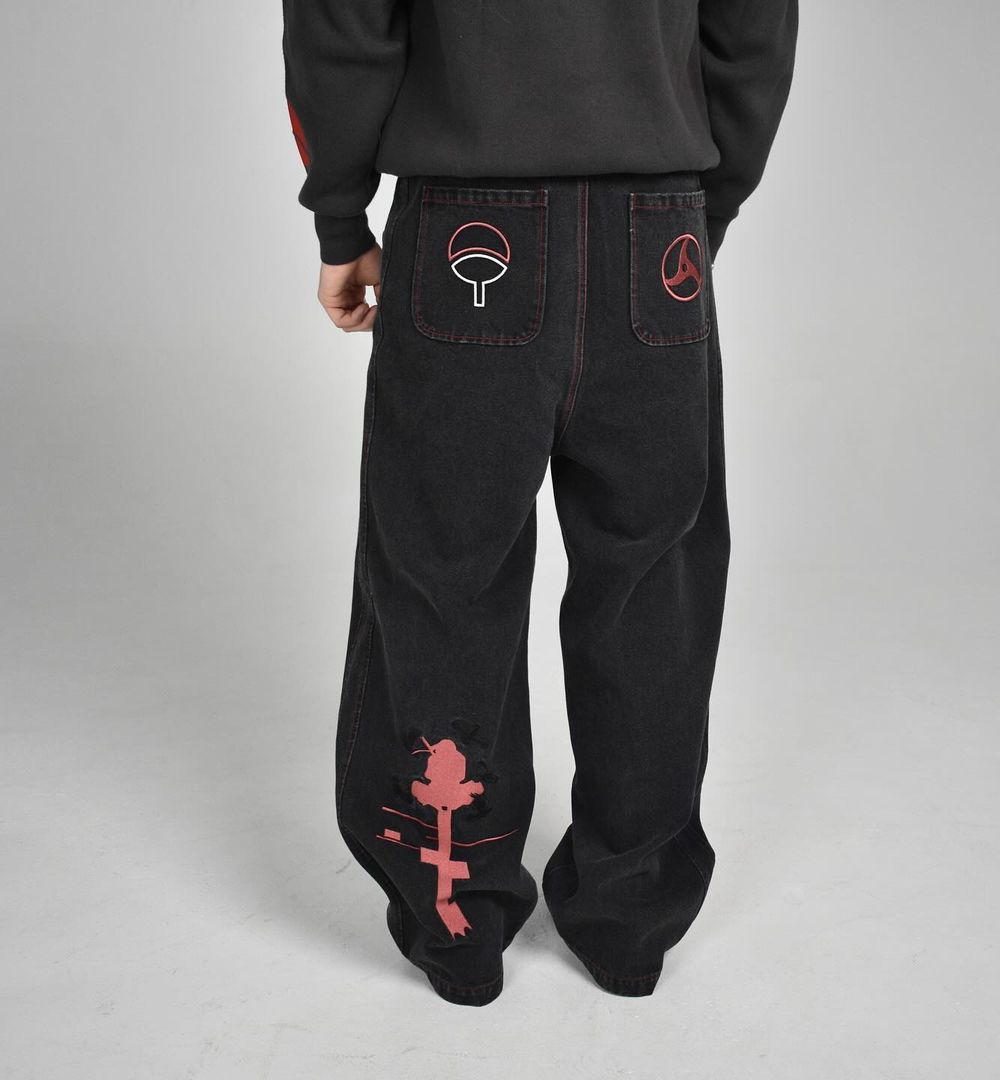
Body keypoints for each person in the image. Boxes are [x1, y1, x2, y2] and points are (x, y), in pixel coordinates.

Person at [282, 0, 797, 1007]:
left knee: (442, 573)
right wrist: (707, 203)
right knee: (651, 586)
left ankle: (455, 918)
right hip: (658, 228)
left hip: (464, 217)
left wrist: (340, 215)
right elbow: (754, 27)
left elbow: (344, 19)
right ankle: (631, 917)